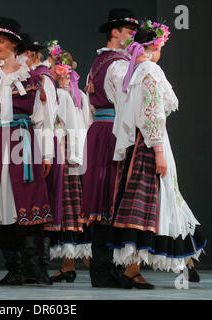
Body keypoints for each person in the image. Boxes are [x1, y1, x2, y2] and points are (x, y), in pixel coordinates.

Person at [108, 20, 207, 289]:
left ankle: (182, 261)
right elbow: (151, 114)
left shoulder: (130, 71)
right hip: (151, 144)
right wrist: (159, 150)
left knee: (162, 200)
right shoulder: (150, 69)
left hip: (137, 145)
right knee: (154, 202)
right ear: (155, 46)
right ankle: (136, 269)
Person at [0, 17, 54, 286]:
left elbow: (44, 119)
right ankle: (13, 268)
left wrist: (47, 154)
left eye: (1, 41)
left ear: (14, 44)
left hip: (23, 144)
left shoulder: (35, 78)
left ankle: (33, 267)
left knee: (27, 202)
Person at [81, 8, 139, 288]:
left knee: (107, 198)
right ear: (114, 32)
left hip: (101, 130)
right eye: (128, 31)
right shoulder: (117, 64)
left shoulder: (100, 61)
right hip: (114, 131)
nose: (132, 36)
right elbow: (126, 103)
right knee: (111, 196)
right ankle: (103, 271)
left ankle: (107, 270)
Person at [45, 40, 93, 283]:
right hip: (74, 157)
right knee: (69, 210)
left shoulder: (62, 95)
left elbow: (65, 127)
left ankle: (92, 265)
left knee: (68, 209)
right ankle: (68, 265)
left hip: (64, 155)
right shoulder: (79, 95)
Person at [16, 33, 58, 283]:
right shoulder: (20, 78)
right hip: (25, 143)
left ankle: (39, 266)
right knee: (27, 203)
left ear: (29, 55)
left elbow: (48, 118)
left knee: (41, 204)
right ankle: (26, 265)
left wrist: (47, 153)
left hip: (41, 144)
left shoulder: (41, 79)